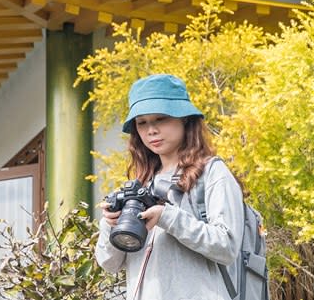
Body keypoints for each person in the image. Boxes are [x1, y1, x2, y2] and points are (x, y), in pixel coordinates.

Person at [95, 74, 244, 300]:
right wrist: (110, 224)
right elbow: (110, 264)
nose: (151, 130)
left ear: (184, 118)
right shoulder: (140, 185)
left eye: (161, 118)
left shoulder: (212, 173)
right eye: (142, 122)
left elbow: (227, 246)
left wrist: (168, 217)